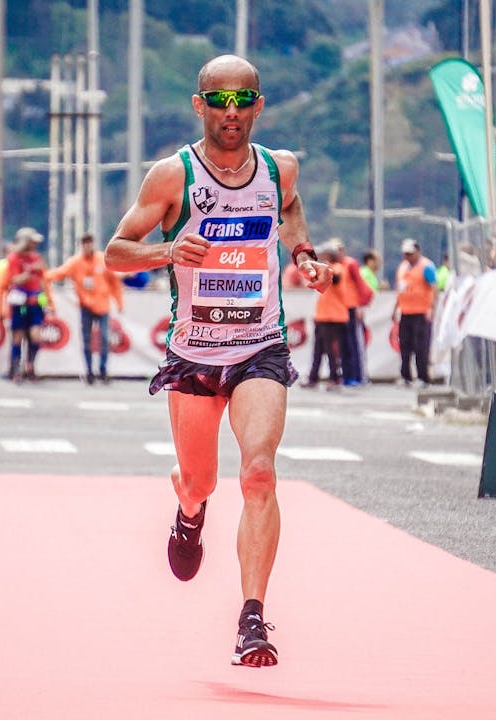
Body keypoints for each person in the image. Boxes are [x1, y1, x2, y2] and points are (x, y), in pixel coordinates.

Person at [104, 54, 332, 668]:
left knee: (259, 473)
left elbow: (289, 211)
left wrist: (305, 255)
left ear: (259, 106)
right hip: (194, 356)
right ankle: (189, 509)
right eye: (218, 101)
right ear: (199, 105)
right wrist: (167, 251)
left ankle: (252, 618)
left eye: (243, 101)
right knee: (202, 477)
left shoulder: (279, 169)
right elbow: (115, 252)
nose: (231, 113)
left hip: (260, 345)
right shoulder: (171, 176)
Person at [46, 232, 124, 384]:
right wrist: (44, 276)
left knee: (104, 339)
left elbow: (115, 283)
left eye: (90, 243)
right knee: (87, 341)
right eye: (84, 243)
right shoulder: (75, 262)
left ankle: (103, 370)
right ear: (80, 246)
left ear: (93, 244)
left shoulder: (102, 260)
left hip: (103, 306)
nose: (87, 246)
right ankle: (89, 371)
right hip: (85, 308)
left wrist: (119, 303)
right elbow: (60, 273)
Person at [0, 227, 52, 381]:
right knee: (17, 337)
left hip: (35, 303)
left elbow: (43, 281)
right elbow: (14, 279)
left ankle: (30, 366)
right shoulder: (14, 258)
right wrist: (29, 272)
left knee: (35, 336)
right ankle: (15, 368)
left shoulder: (37, 258)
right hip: (19, 303)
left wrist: (48, 302)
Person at [393, 238, 438, 387]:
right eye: (405, 254)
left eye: (410, 254)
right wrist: (395, 309)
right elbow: (400, 290)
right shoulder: (402, 267)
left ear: (418, 252)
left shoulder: (427, 266)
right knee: (404, 345)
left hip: (421, 312)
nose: (408, 257)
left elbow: (434, 288)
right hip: (406, 312)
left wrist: (432, 308)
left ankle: (423, 377)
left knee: (421, 346)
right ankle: (405, 376)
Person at [304, 243, 347, 389]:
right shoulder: (328, 268)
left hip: (333, 317)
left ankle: (335, 378)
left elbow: (336, 279)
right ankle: (313, 378)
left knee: (331, 350)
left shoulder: (337, 268)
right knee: (318, 350)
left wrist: (323, 266)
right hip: (323, 316)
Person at [329, 238, 372, 386]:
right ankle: (347, 376)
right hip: (339, 311)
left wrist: (361, 305)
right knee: (343, 345)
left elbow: (361, 285)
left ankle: (358, 376)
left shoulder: (350, 264)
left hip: (352, 308)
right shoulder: (332, 266)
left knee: (354, 344)